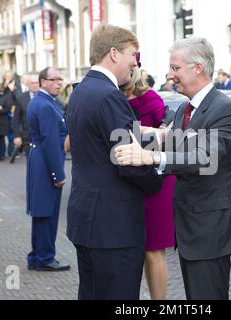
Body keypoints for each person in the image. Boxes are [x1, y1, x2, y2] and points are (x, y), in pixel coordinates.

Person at [115, 37, 231, 300]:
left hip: (210, 229)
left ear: (198, 68)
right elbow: (176, 145)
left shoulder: (225, 109)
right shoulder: (184, 110)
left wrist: (150, 158)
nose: (169, 75)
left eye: (175, 68)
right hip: (191, 227)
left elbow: (204, 157)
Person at [66, 24, 162, 300]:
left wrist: (161, 138)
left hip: (87, 220)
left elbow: (105, 143)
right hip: (113, 226)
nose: (135, 62)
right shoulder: (109, 95)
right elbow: (126, 158)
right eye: (133, 54)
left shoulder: (81, 91)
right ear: (114, 53)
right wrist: (158, 179)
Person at [120, 67, 175, 299]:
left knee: (153, 249)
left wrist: (147, 132)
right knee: (133, 250)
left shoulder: (151, 98)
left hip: (155, 182)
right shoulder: (113, 97)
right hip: (129, 182)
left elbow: (170, 135)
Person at [26, 67, 70, 272]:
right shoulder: (44, 105)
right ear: (43, 82)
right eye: (54, 79)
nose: (59, 83)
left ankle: (38, 256)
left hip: (40, 159)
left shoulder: (44, 102)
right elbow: (51, 141)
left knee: (42, 210)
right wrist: (58, 174)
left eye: (60, 79)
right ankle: (44, 257)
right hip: (46, 160)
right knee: (46, 211)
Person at [13, 73, 39, 156]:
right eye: (32, 83)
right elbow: (16, 119)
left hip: (44, 138)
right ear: (27, 84)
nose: (35, 85)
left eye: (37, 83)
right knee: (32, 164)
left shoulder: (46, 97)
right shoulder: (21, 98)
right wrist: (17, 136)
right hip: (28, 138)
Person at [0, 81, 11, 161]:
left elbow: (8, 108)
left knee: (2, 139)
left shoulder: (4, 96)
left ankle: (2, 155)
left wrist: (0, 110)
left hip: (2, 121)